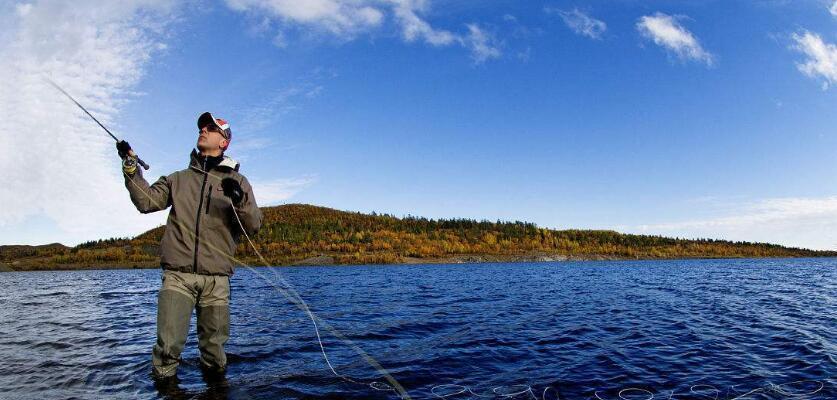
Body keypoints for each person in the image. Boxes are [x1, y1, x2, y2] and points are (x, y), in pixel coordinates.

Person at [117, 112, 263, 381]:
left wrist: (239, 199)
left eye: (211, 128)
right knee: (168, 349)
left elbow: (253, 225)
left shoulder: (239, 182)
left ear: (224, 142)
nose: (203, 130)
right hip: (177, 277)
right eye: (202, 127)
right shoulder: (178, 179)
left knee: (214, 354)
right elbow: (147, 201)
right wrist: (130, 169)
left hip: (217, 281)